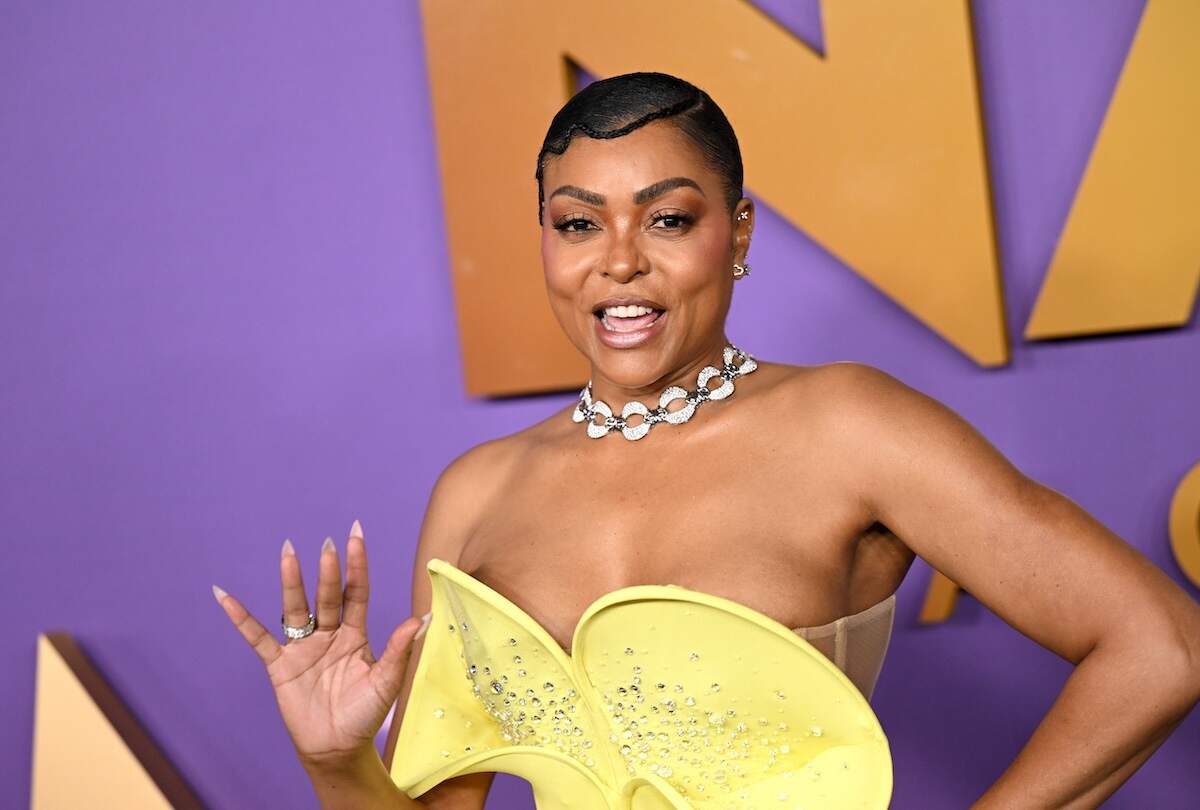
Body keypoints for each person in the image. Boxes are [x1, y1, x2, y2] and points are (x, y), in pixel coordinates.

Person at [213, 72, 1200, 809]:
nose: (620, 262)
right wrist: (335, 762)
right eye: (577, 224)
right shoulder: (474, 492)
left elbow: (1160, 644)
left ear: (738, 232)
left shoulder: (848, 426)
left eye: (668, 219)